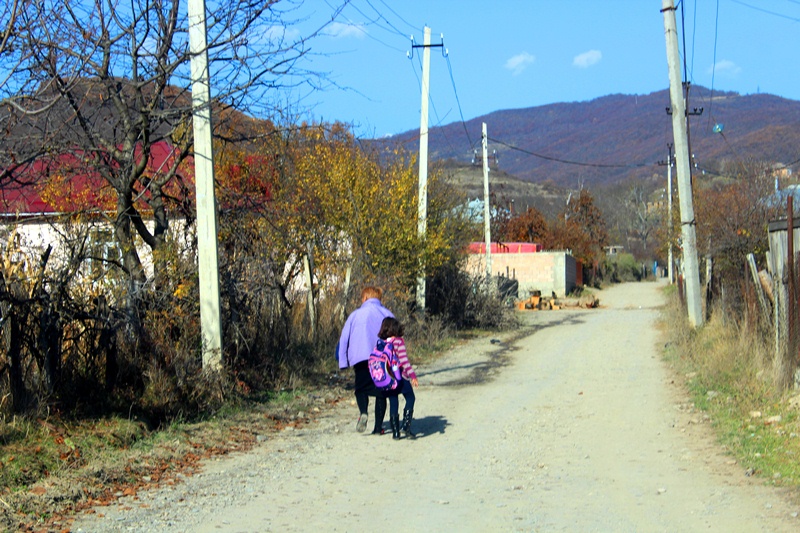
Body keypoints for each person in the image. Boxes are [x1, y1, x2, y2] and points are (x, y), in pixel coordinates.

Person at [337, 286, 394, 435]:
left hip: (360, 357)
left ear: (365, 298)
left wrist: (343, 361)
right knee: (381, 392)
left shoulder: (355, 315)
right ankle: (378, 428)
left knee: (360, 388)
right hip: (381, 358)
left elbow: (344, 339)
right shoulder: (387, 314)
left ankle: (363, 412)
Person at [377, 317, 418, 439]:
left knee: (393, 402)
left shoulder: (381, 343)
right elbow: (404, 361)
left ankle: (395, 433)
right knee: (410, 397)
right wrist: (413, 376)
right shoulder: (398, 342)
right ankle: (406, 425)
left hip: (388, 378)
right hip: (400, 376)